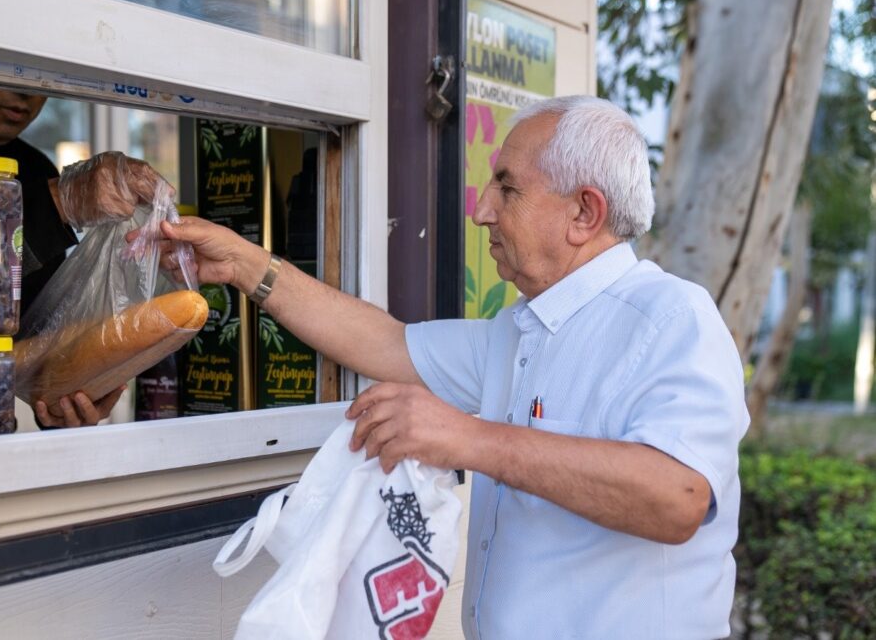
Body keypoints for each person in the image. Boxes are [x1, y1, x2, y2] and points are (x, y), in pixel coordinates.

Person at [158, 95, 749, 638]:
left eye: (507, 188)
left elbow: (678, 497)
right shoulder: (519, 329)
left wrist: (469, 438)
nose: (482, 210)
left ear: (584, 213)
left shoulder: (671, 318)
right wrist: (244, 265)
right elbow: (385, 344)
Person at [0, 85, 167, 428]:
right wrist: (60, 201)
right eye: (12, 68)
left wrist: (65, 402)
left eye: (42, 82)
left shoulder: (33, 167)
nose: (26, 95)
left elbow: (41, 336)